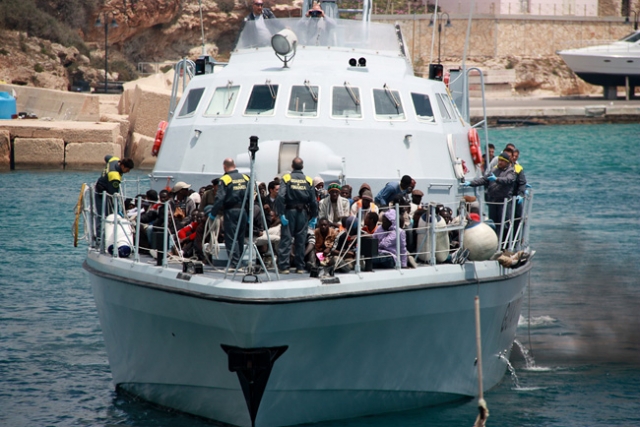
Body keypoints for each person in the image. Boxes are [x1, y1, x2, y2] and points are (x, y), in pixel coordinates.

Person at [276, 157, 318, 274]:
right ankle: (300, 267)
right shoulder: (308, 180)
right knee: (301, 240)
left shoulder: (287, 178)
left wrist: (281, 214)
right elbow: (313, 201)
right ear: (302, 166)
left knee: (286, 239)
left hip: (290, 212)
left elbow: (280, 196)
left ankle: (284, 267)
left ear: (292, 166)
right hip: (303, 213)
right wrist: (314, 216)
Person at [206, 158, 250, 270]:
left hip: (231, 211)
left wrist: (213, 213)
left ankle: (234, 264)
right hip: (243, 211)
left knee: (231, 238)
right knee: (240, 238)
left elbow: (220, 198)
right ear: (234, 165)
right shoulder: (245, 178)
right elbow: (250, 196)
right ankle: (239, 262)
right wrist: (249, 213)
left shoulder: (225, 179)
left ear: (224, 167)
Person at [464, 151, 516, 231]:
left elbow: (508, 180)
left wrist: (497, 179)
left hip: (503, 201)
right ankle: (495, 238)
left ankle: (503, 240)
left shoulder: (510, 171)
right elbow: (484, 180)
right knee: (493, 222)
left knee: (503, 222)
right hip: (493, 200)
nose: (500, 162)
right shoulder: (494, 170)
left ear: (506, 162)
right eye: (499, 160)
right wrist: (470, 183)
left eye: (502, 161)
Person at [94, 155, 134, 236]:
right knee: (103, 215)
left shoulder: (114, 160)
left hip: (101, 185)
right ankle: (101, 236)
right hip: (102, 194)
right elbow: (114, 196)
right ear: (122, 166)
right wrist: (117, 211)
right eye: (127, 169)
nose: (128, 171)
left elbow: (106, 157)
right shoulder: (115, 176)